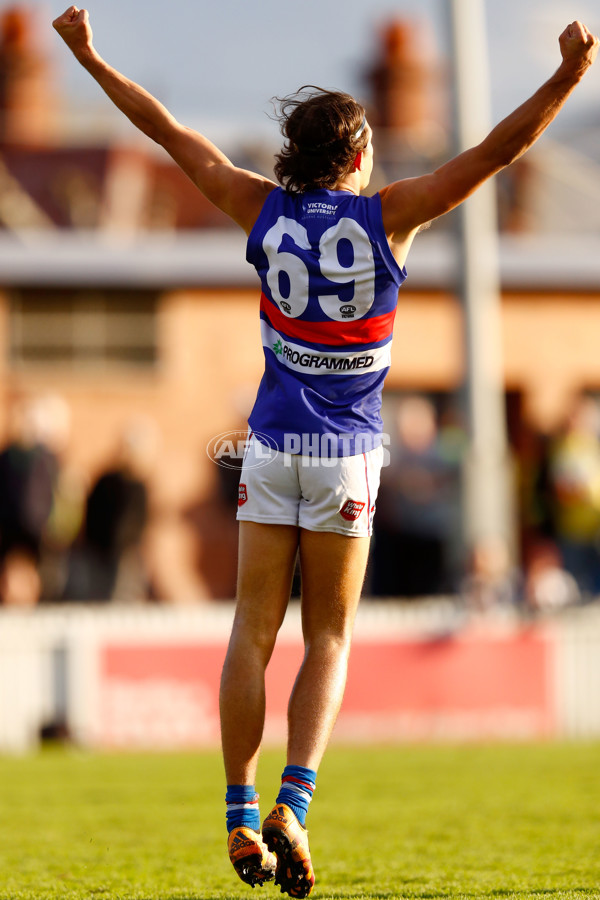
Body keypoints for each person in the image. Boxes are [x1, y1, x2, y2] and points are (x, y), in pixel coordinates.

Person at [52, 7, 598, 896]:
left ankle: (238, 809)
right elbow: (495, 153)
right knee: (331, 636)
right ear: (355, 157)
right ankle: (294, 807)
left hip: (269, 447)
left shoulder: (254, 206)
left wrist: (88, 55)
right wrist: (568, 77)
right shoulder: (393, 217)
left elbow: (163, 130)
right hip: (347, 457)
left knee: (251, 631)